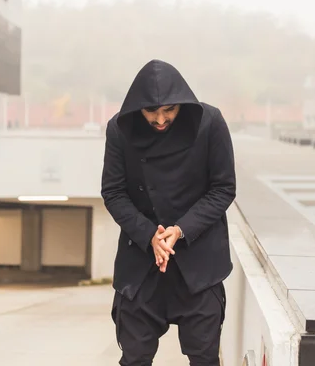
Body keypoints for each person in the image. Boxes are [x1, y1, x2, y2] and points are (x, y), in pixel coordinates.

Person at [101, 59, 236, 365]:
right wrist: (150, 235)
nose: (161, 120)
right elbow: (113, 192)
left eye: (169, 111)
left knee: (204, 358)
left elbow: (223, 188)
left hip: (199, 264)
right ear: (138, 108)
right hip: (141, 267)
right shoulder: (119, 129)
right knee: (134, 359)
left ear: (182, 104)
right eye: (152, 112)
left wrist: (180, 230)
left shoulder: (210, 122)